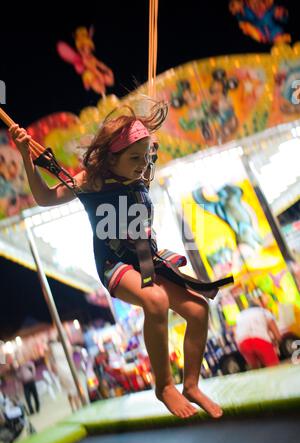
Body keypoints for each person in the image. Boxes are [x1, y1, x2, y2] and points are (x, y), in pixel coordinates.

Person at [9, 100, 233, 419]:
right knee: (154, 302)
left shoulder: (141, 175)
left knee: (199, 310)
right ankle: (164, 386)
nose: (142, 165)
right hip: (114, 263)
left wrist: (143, 144)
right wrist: (26, 158)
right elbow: (45, 198)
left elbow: (144, 155)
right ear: (112, 158)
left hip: (147, 258)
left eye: (145, 157)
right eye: (134, 158)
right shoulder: (91, 181)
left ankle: (192, 385)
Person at [235, 300, 282, 369]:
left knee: (256, 370)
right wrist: (277, 342)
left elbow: (236, 334)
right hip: (260, 340)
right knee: (274, 368)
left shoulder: (240, 315)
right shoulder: (264, 312)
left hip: (242, 343)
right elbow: (277, 334)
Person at [46, 339, 81, 412]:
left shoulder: (56, 347)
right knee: (73, 388)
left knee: (69, 389)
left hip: (64, 368)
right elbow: (48, 360)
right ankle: (77, 407)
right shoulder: (57, 346)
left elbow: (48, 360)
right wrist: (52, 367)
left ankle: (74, 408)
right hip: (64, 368)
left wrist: (52, 367)